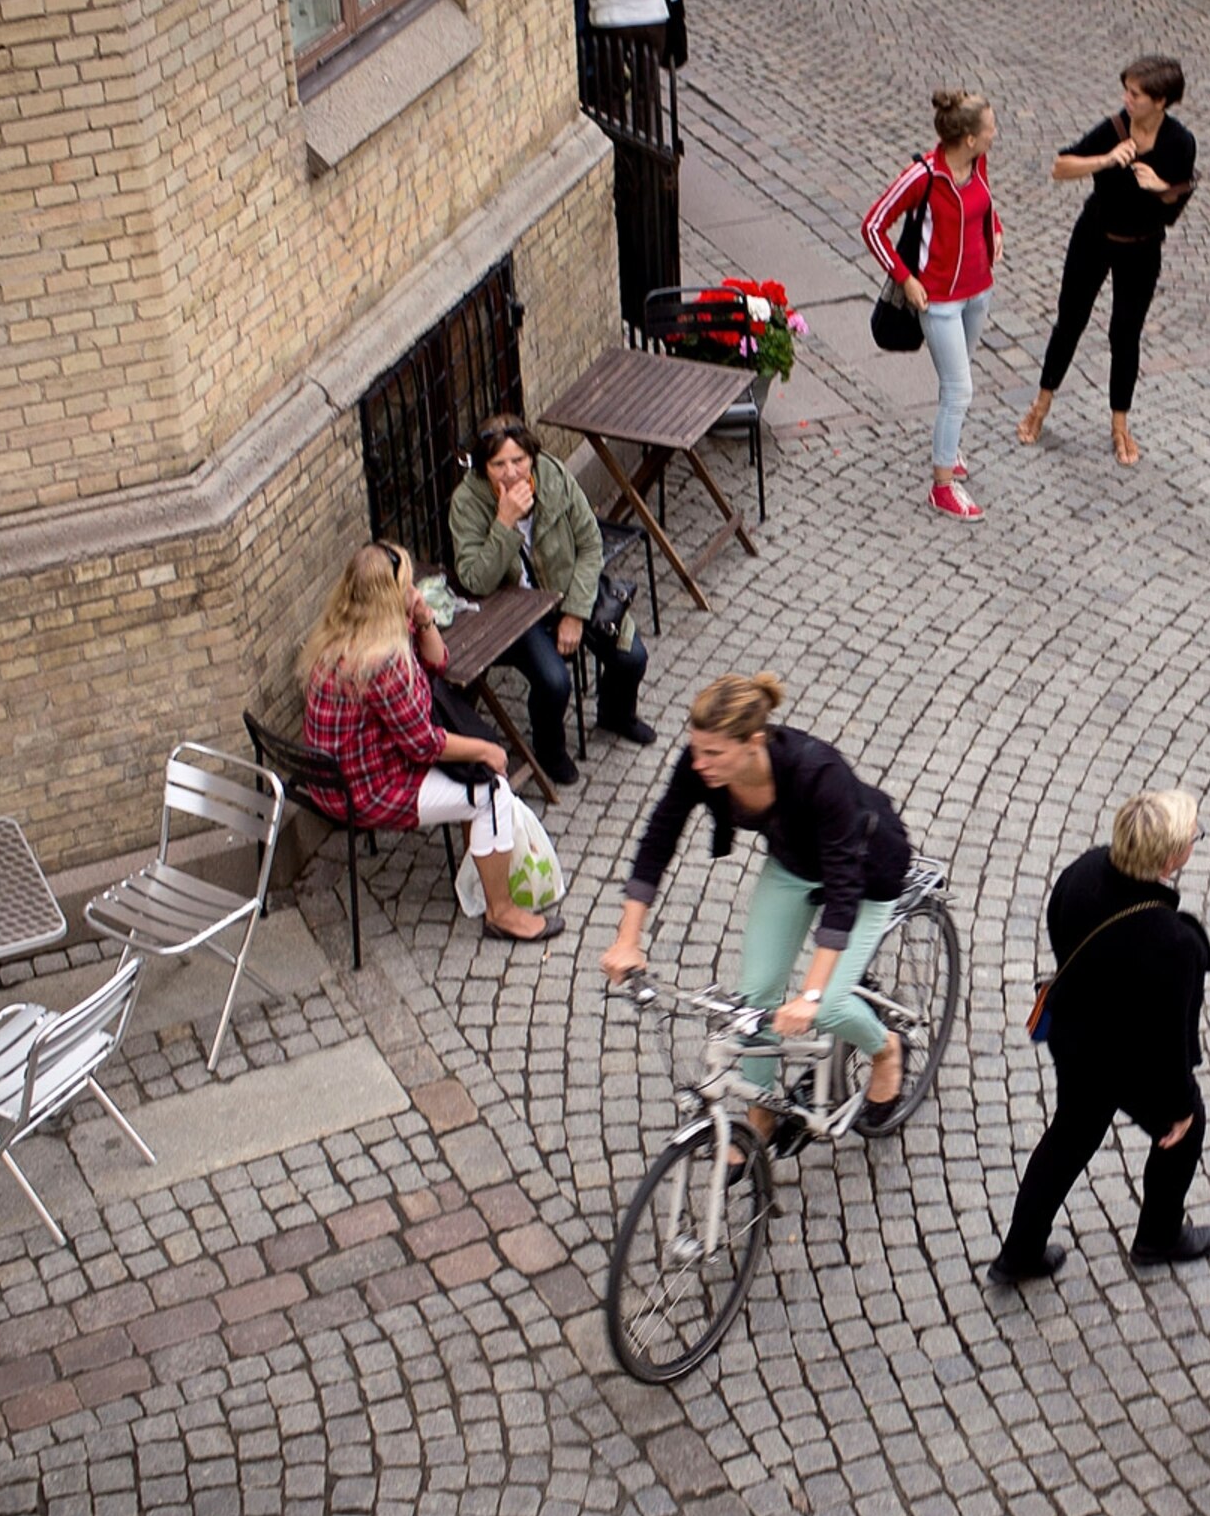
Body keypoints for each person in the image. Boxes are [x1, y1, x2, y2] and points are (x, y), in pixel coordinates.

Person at [599, 675, 913, 1127]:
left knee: (829, 1005)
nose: (699, 763)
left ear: (754, 742)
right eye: (697, 749)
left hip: (866, 874)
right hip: (792, 865)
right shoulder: (700, 765)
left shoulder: (817, 772)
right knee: (755, 1001)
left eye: (713, 753)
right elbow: (659, 837)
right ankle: (760, 1117)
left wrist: (809, 995)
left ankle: (885, 1048)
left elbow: (844, 893)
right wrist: (628, 939)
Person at [991, 791, 1210, 1286]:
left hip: (1075, 1038)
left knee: (1069, 1137)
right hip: (1126, 1058)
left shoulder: (1083, 872)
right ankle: (1158, 1237)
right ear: (1168, 859)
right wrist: (1179, 1102)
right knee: (1186, 1129)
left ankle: (1019, 1253)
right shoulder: (1173, 942)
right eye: (1192, 837)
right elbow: (1171, 1037)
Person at [299, 544, 556, 945]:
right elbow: (423, 745)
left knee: (477, 776)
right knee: (493, 791)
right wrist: (487, 751)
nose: (415, 588)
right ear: (390, 596)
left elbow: (437, 662)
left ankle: (482, 874)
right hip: (366, 790)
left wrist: (423, 619)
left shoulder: (341, 632)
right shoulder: (382, 660)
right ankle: (501, 912)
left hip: (336, 777)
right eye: (408, 585)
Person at [1015, 56, 1196, 468]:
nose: (1126, 99)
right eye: (1127, 91)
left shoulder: (1179, 142)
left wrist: (1164, 187)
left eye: (1135, 94)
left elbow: (1178, 196)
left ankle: (1119, 425)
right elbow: (1061, 166)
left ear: (1160, 100)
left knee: (1125, 334)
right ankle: (1040, 406)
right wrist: (1106, 159)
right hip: (1094, 238)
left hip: (1142, 247)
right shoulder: (1113, 129)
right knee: (1070, 323)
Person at [447, 415, 651, 777]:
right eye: (498, 464)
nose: (511, 473)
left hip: (568, 590)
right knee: (554, 681)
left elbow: (590, 546)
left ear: (532, 458)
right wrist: (505, 524)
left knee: (631, 656)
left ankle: (615, 715)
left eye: (519, 461)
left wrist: (574, 612)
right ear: (484, 466)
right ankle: (548, 747)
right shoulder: (467, 502)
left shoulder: (554, 477)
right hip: (516, 610)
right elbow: (475, 579)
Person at [862, 90, 1004, 520]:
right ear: (969, 139)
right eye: (990, 127)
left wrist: (994, 228)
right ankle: (943, 486)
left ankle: (950, 447)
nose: (996, 132)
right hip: (939, 300)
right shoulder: (921, 176)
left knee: (954, 380)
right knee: (960, 389)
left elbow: (984, 199)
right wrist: (905, 279)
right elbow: (873, 225)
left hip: (978, 291)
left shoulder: (977, 162)